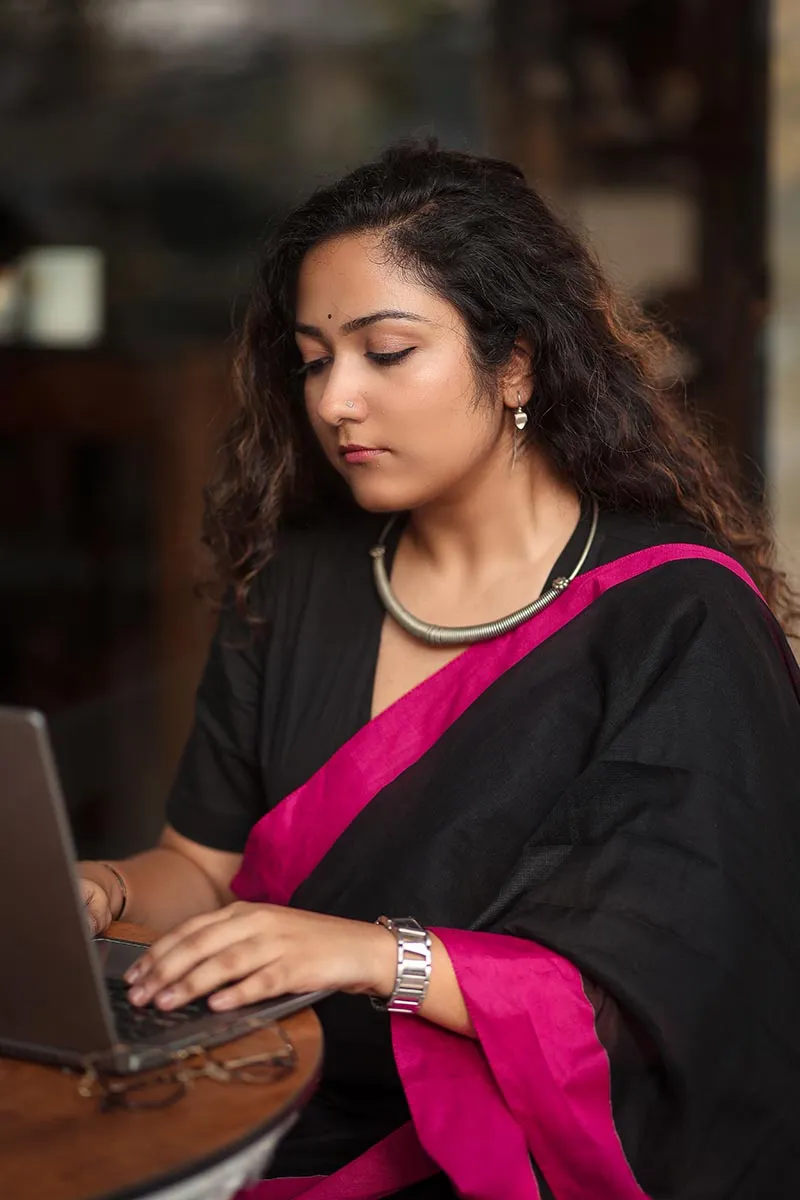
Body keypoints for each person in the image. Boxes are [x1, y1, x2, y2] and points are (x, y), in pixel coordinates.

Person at [79, 141, 800, 1199]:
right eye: (315, 357)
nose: (334, 400)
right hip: (262, 1094)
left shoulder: (674, 615)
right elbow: (201, 872)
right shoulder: (294, 586)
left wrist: (378, 956)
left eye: (384, 350)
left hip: (504, 1152)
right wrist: (94, 892)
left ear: (514, 362)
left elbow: (682, 988)